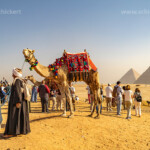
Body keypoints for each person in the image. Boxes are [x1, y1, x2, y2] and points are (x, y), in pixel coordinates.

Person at [4, 68, 31, 138]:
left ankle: (12, 132)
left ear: (15, 74)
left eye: (13, 73)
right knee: (19, 116)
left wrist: (18, 102)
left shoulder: (17, 81)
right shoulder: (21, 80)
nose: (12, 74)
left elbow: (18, 92)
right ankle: (20, 131)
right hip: (21, 102)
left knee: (14, 117)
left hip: (17, 102)